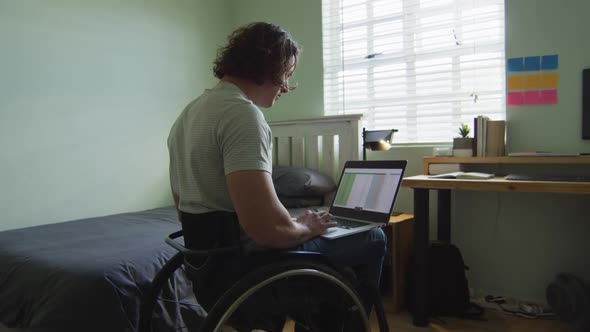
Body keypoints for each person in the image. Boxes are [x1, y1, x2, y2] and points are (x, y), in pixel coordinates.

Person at [167, 21, 386, 328]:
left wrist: (291, 224)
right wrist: (307, 226)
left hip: (208, 273)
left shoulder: (189, 114)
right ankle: (337, 319)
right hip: (250, 273)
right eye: (287, 75)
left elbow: (183, 210)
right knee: (374, 237)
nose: (285, 87)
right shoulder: (242, 115)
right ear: (267, 66)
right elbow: (266, 231)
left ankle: (324, 313)